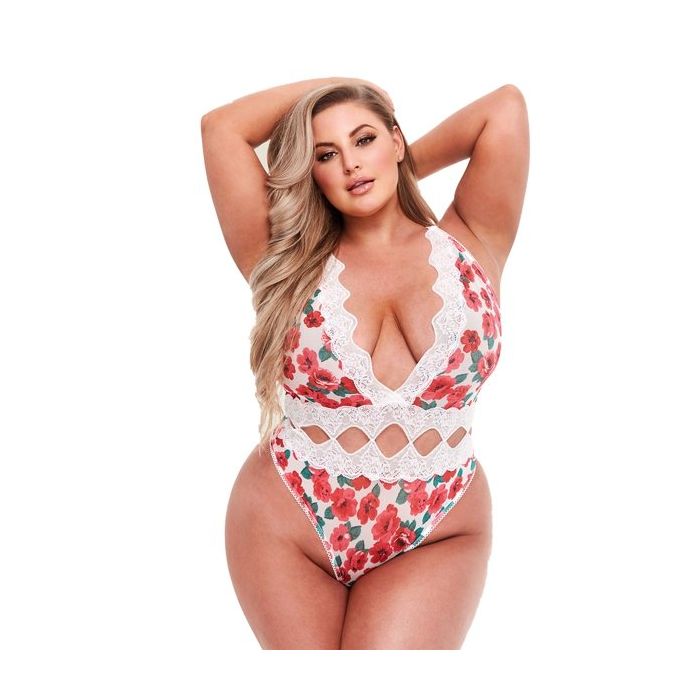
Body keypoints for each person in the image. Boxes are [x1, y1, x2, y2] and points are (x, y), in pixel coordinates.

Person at [201, 77, 529, 649]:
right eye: (326, 154)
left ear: (396, 140)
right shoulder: (283, 259)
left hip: (437, 525)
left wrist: (400, 164)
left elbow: (505, 109)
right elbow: (221, 128)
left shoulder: (471, 239)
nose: (351, 163)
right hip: (292, 522)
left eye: (365, 139)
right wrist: (341, 84)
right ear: (311, 172)